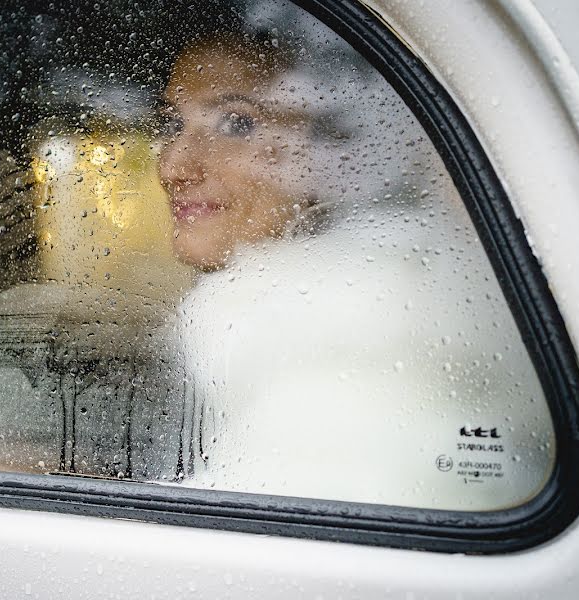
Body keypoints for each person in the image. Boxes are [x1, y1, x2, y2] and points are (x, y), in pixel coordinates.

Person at [157, 31, 555, 511]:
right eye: (172, 123)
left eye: (237, 123)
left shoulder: (361, 347)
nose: (174, 166)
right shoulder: (259, 331)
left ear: (335, 154)